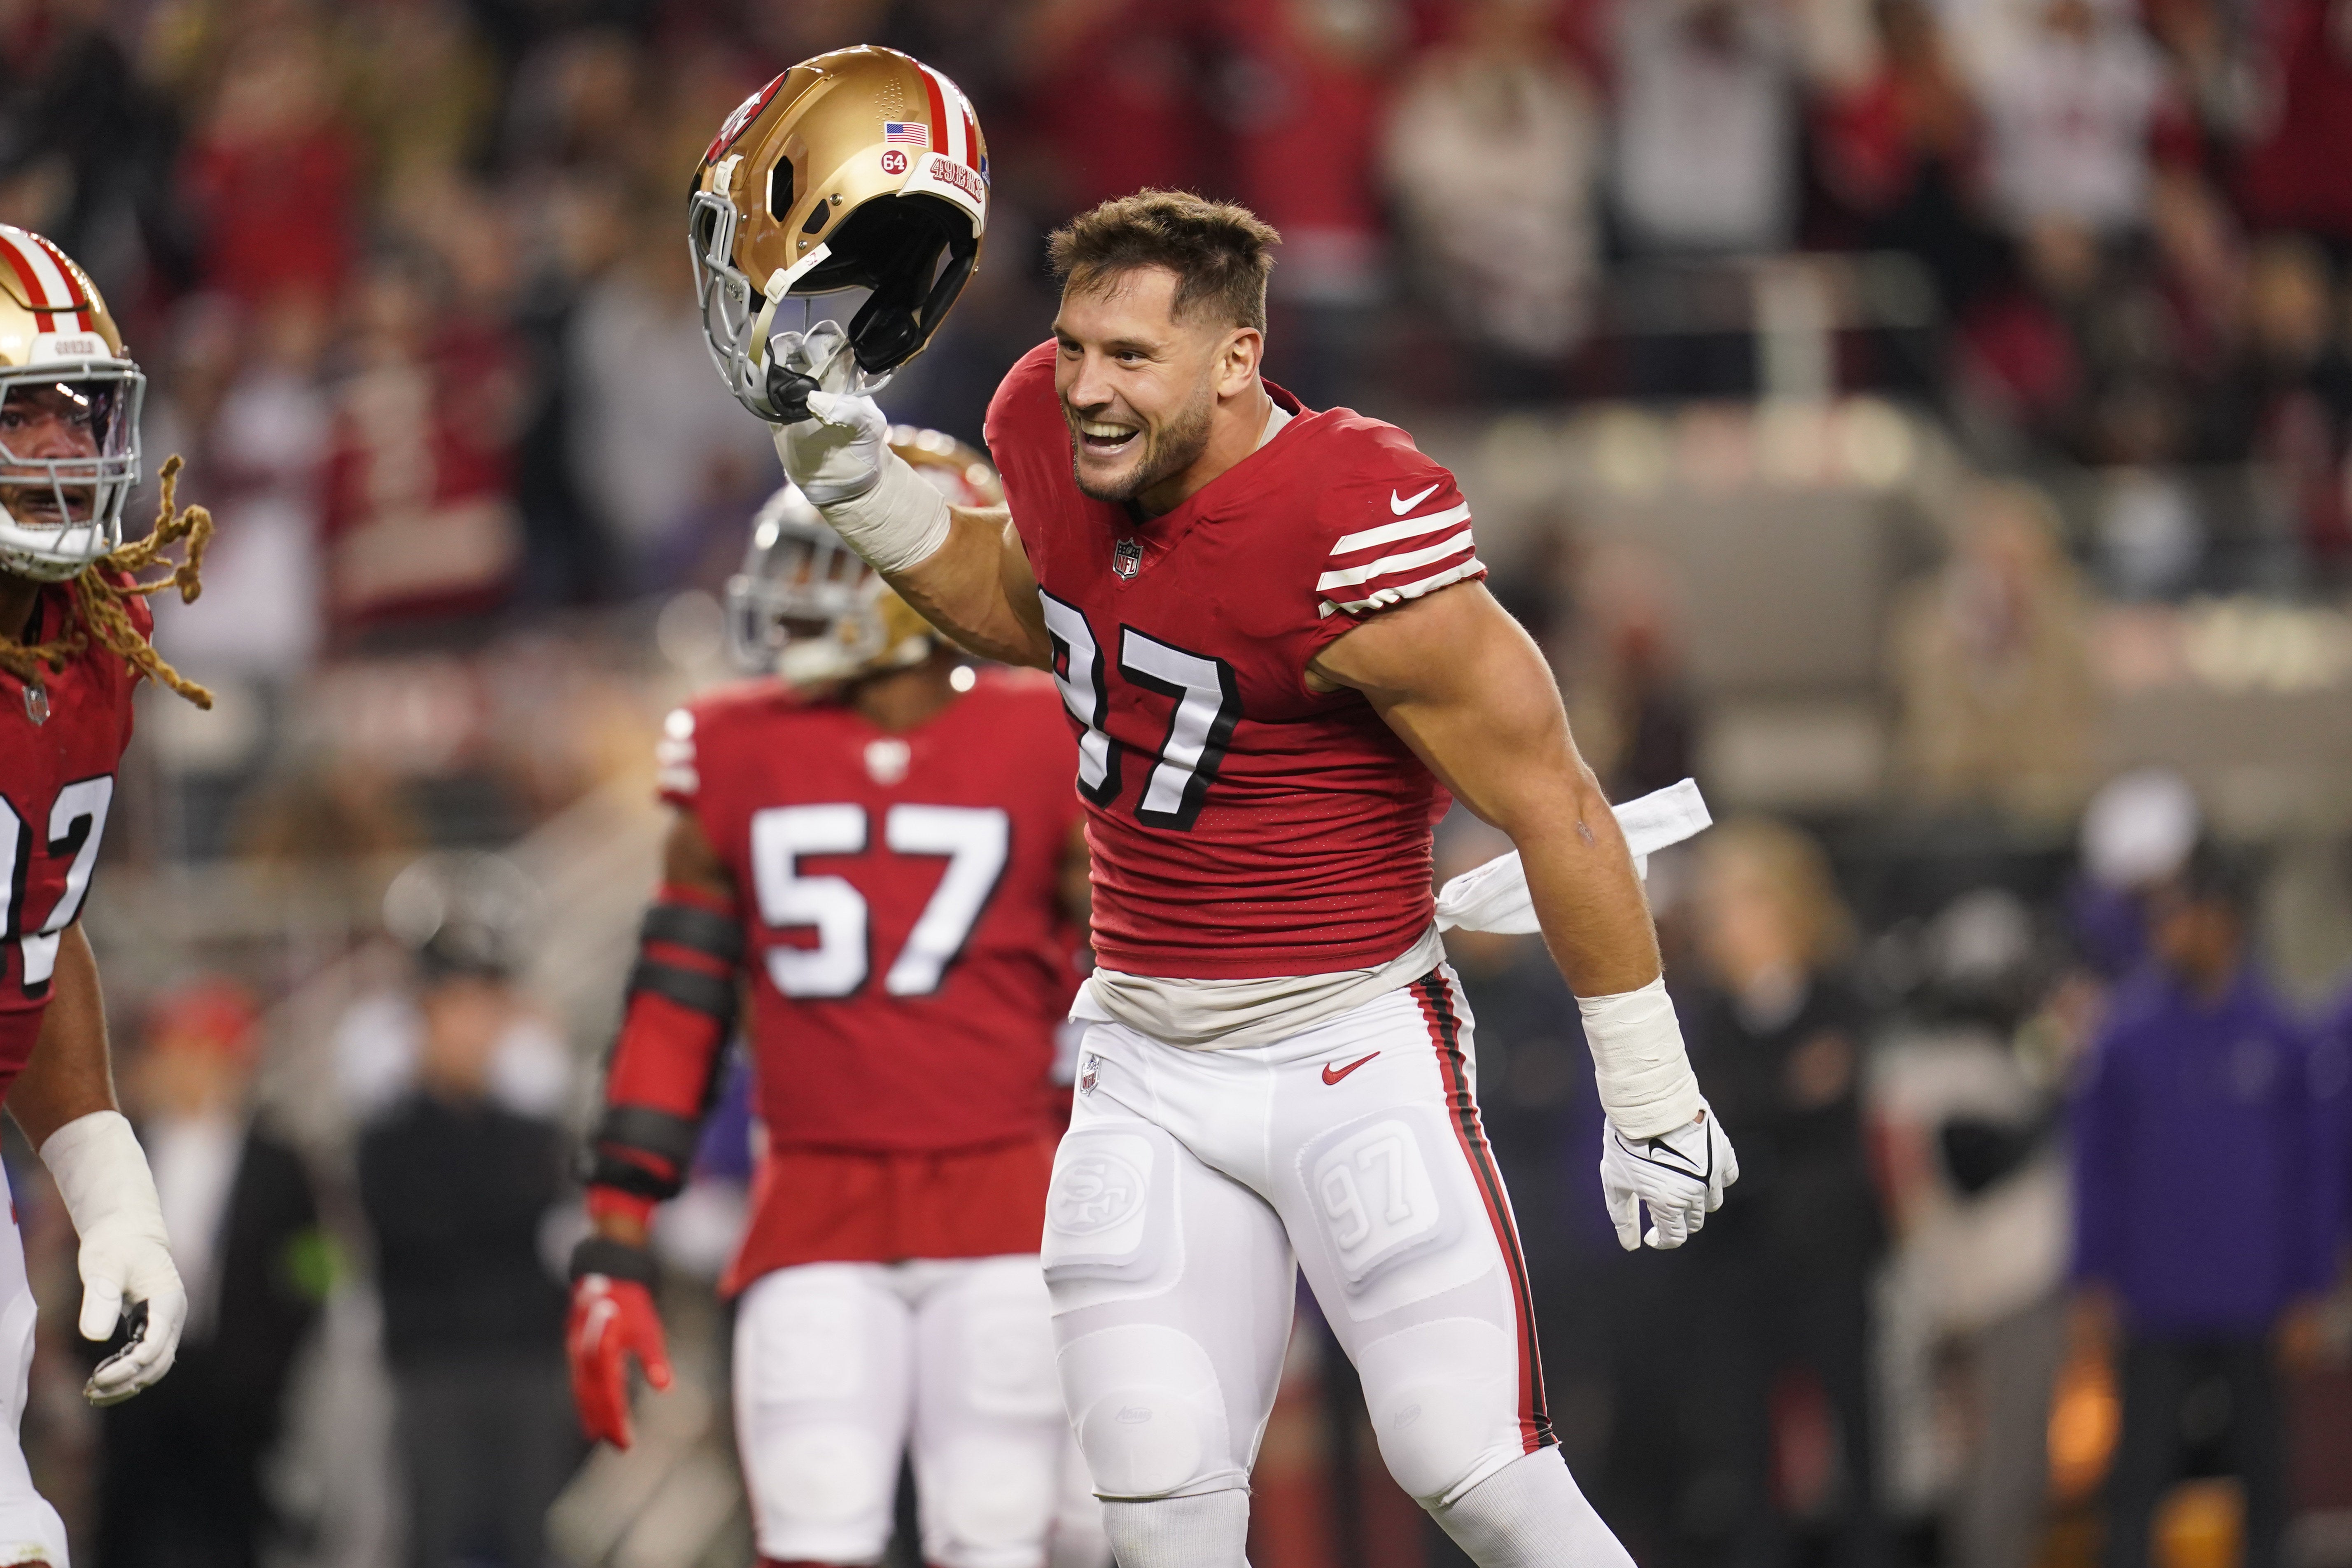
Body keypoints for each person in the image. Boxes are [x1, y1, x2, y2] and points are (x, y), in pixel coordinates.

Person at [700, 68, 1739, 1565]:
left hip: (1351, 1041)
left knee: (1475, 1469)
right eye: (1072, 347)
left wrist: (1649, 1088)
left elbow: (1557, 805)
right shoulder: (1039, 429)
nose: (1089, 384)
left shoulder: (1347, 517)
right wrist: (850, 474)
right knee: (1159, 1515)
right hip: (1144, 1059)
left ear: (1240, 359)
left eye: (1133, 353)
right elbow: (1031, 607)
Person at [566, 435, 1104, 1568]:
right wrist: (615, 1236)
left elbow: (1133, 980)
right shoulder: (733, 743)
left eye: (836, 560)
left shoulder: (1042, 732)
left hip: (1008, 1205)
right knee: (812, 1533)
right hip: (812, 1203)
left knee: (1001, 1535)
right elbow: (676, 1001)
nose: (798, 594)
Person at [0, 222, 212, 1564]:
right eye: (27, 411)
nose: (72, 447)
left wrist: (110, 1183)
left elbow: (29, 926)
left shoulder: (86, 652)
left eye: (87, 411)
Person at [2070, 843, 2331, 1568]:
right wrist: (2093, 1275)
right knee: (2141, 1465)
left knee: (2263, 1463)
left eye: (2187, 918)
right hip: (2154, 1291)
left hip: (2255, 1290)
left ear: (2227, 925)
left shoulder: (2279, 1037)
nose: (2173, 934)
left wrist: (2309, 1284)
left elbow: (2312, 1171)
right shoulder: (2124, 1039)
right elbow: (2095, 1166)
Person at [355, 914, 577, 1568]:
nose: (474, 1031)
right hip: (436, 1362)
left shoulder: (531, 1130)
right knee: (438, 1534)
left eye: (487, 1012)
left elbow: (539, 1217)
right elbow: (418, 1229)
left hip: (527, 1359)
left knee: (531, 1535)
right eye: (457, 1011)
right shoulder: (389, 1136)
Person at [96, 979, 327, 1568]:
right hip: (137, 1377)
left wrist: (271, 1360)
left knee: (232, 1529)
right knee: (136, 1525)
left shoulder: (280, 1163)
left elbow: (316, 1273)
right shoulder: (124, 1154)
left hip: (235, 1379)